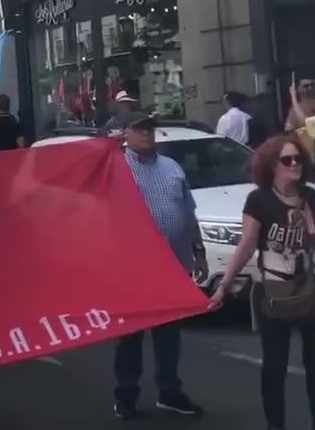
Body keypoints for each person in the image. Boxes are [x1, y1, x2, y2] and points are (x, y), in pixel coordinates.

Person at [208, 136, 315, 430]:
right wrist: (224, 286)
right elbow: (246, 244)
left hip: (313, 292)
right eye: (287, 160)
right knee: (274, 367)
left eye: (298, 158)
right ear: (271, 166)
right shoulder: (259, 200)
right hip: (275, 296)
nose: (294, 164)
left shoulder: (311, 198)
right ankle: (276, 424)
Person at [113, 112, 205, 419]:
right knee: (132, 335)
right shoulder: (116, 168)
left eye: (149, 129)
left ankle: (170, 391)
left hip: (174, 262)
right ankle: (126, 394)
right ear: (125, 133)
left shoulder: (171, 167)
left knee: (169, 334)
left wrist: (199, 249)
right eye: (139, 129)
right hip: (134, 265)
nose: (146, 134)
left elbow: (188, 211)